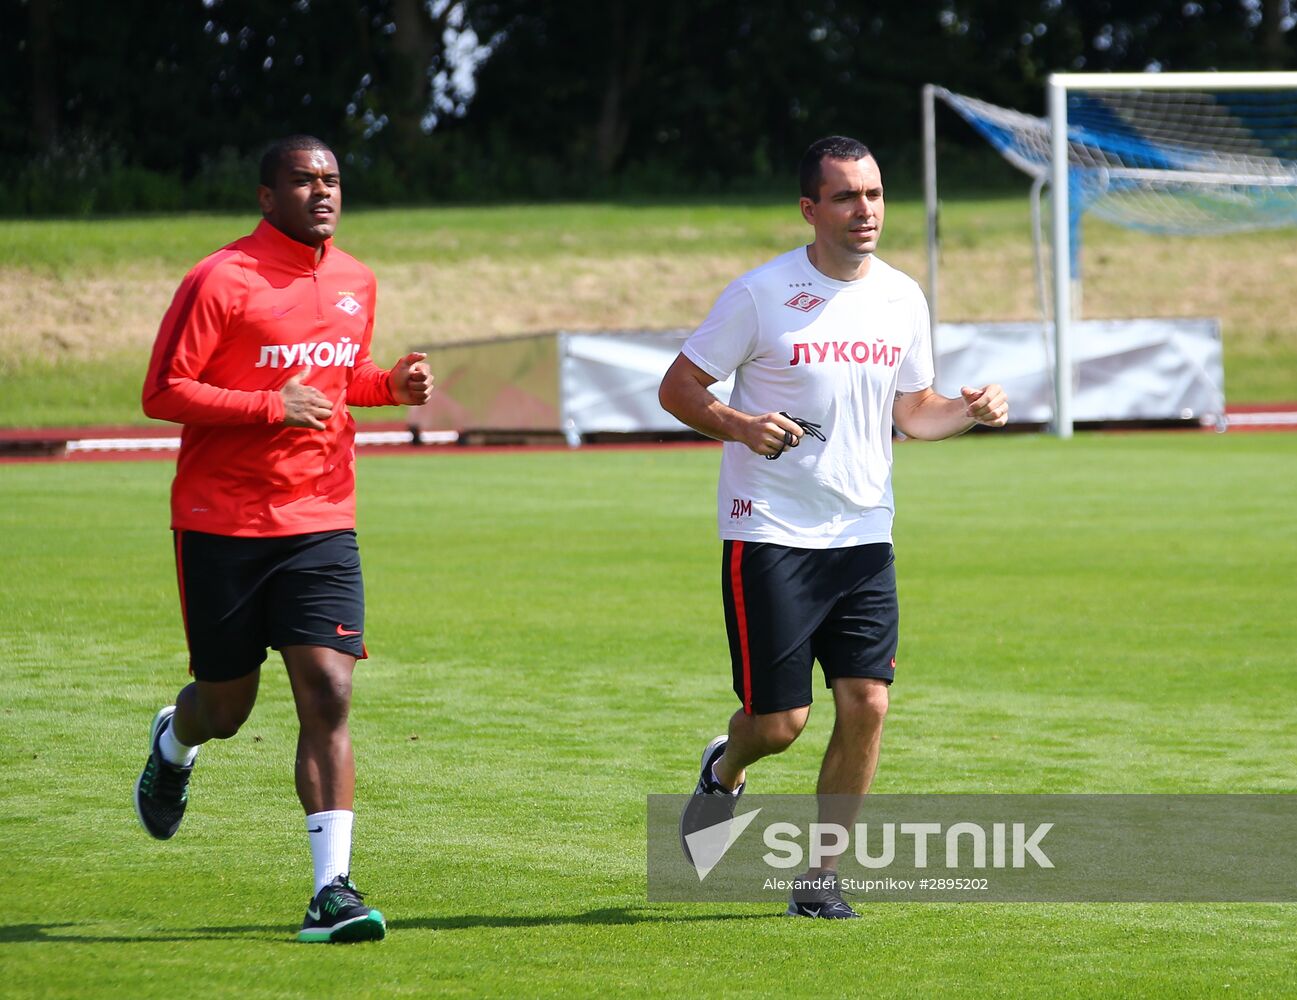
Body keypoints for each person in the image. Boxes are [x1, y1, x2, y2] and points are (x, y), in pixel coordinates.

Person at [659, 135, 1008, 919]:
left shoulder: (901, 297)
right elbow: (678, 386)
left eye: (876, 195)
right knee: (779, 723)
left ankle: (820, 878)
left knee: (868, 703)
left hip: (862, 536)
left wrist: (971, 412)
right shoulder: (759, 293)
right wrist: (739, 424)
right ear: (809, 208)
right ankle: (724, 771)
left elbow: (914, 413)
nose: (865, 211)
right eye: (847, 196)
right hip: (771, 532)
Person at [134, 134, 432, 943]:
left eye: (331, 179)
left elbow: (341, 382)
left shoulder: (355, 279)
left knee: (329, 692)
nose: (322, 192)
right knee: (226, 709)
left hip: (321, 521)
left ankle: (330, 890)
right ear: (268, 197)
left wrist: (388, 386)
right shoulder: (219, 278)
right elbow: (163, 391)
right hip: (221, 524)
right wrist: (270, 405)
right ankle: (174, 740)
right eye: (303, 181)